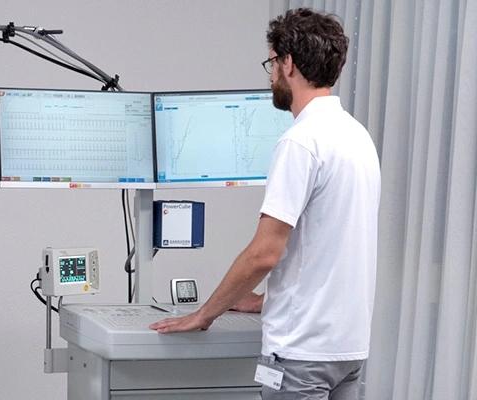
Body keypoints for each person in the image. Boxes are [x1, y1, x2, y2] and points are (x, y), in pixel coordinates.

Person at [149, 8, 379, 400]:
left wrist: (204, 314)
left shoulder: (300, 142)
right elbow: (331, 246)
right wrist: (265, 300)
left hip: (301, 353)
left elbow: (264, 253)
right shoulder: (356, 136)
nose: (271, 75)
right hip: (347, 349)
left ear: (288, 63)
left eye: (271, 63)